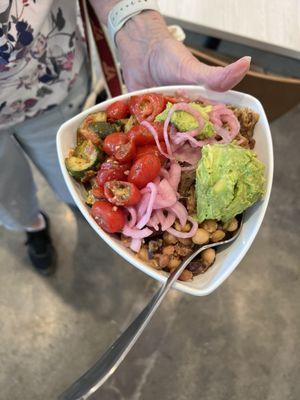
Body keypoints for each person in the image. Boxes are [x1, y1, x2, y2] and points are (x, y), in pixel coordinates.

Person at [0, 0, 250, 275]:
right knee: (8, 199)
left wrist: (141, 31)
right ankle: (33, 226)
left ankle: (72, 209)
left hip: (54, 77)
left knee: (68, 185)